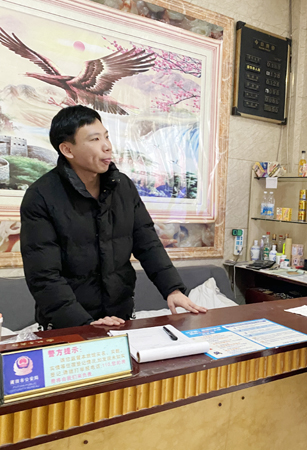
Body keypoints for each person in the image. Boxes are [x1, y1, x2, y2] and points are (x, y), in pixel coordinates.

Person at [20, 105, 207, 329]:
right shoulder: (41, 196)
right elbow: (44, 276)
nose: (107, 146)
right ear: (67, 150)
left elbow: (148, 243)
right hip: (68, 324)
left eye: (106, 136)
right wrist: (85, 323)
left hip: (119, 316)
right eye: (95, 139)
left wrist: (173, 289)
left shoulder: (122, 186)